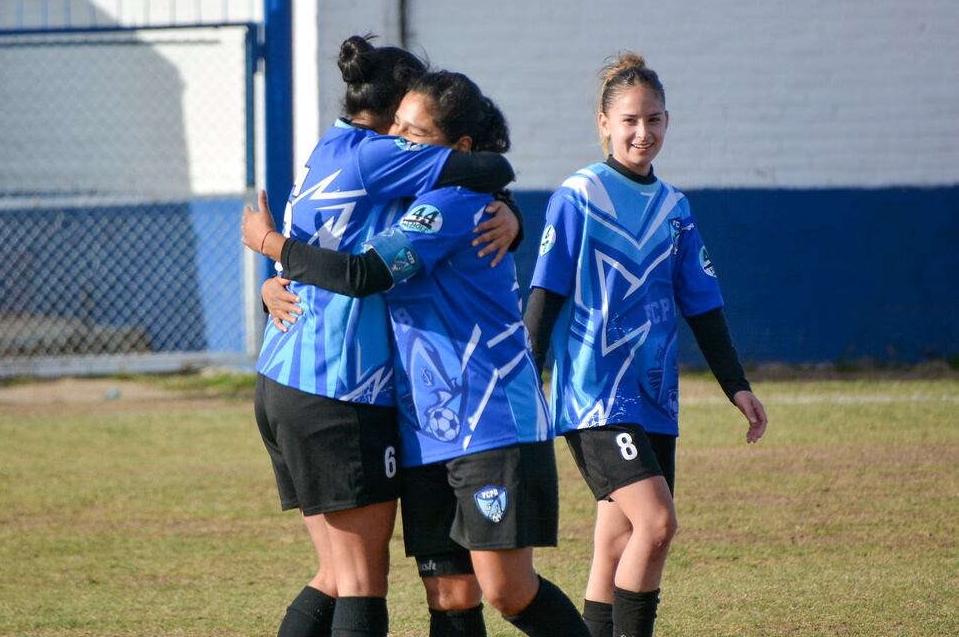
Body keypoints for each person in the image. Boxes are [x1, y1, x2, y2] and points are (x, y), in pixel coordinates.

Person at [245, 70, 591, 637]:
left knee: (507, 591)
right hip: (425, 427)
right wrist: (274, 284)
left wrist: (269, 245)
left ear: (457, 150)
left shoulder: (448, 206)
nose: (396, 143)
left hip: (490, 420)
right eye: (396, 127)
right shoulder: (408, 192)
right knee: (450, 594)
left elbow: (364, 273)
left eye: (414, 133)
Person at [522, 53, 769, 637]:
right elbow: (544, 298)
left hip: (654, 396)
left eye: (654, 120)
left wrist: (737, 385)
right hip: (595, 397)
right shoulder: (577, 197)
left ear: (667, 122)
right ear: (604, 124)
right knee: (656, 525)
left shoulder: (675, 210)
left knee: (620, 537)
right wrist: (524, 385)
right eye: (630, 120)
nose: (643, 132)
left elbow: (703, 305)